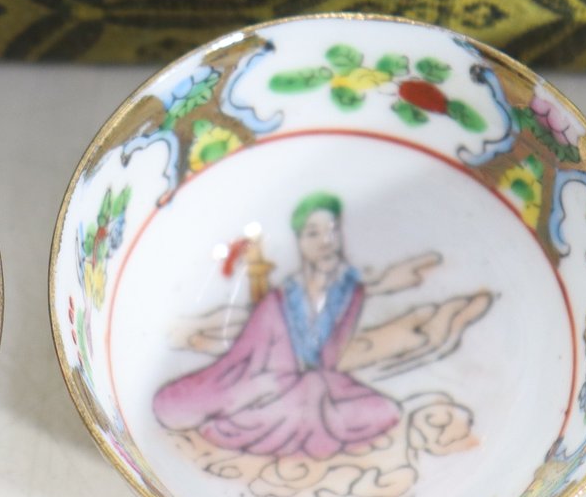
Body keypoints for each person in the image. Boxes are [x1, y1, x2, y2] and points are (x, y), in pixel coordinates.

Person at [152, 192, 487, 460]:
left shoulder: (350, 289)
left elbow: (330, 355)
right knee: (236, 408)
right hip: (269, 381)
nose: (325, 240)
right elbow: (249, 356)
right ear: (299, 240)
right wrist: (274, 382)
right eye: (313, 233)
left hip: (322, 384)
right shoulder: (281, 298)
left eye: (331, 231)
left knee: (382, 410)